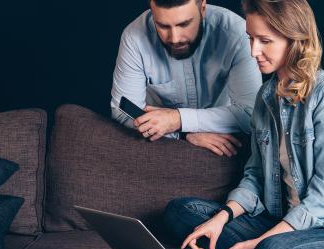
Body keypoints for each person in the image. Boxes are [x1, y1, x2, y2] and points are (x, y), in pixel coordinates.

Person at [163, 0, 324, 249]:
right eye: (250, 38)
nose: (254, 50)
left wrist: (256, 243)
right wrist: (222, 218)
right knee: (181, 212)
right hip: (280, 222)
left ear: (295, 40)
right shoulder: (266, 96)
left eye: (265, 40)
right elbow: (255, 176)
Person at [110, 0, 263, 157]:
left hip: (224, 142)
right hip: (160, 143)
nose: (175, 38)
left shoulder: (238, 34)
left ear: (202, 8)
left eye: (184, 24)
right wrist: (183, 133)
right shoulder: (134, 37)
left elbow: (251, 115)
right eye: (163, 26)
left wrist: (178, 120)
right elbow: (122, 113)